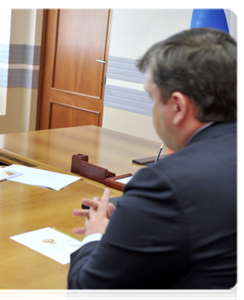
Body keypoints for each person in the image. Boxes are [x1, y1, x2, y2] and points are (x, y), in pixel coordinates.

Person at [68, 28, 240, 300]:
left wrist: (95, 236)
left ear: (178, 107)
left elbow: (89, 293)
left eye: (151, 97)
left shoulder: (166, 182)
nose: (151, 109)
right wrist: (134, 211)